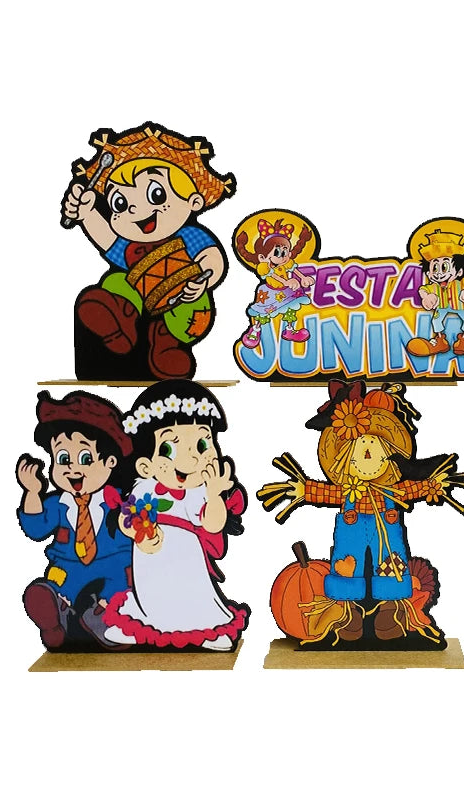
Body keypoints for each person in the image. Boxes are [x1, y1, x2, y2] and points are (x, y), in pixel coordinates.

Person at [260, 381, 464, 644]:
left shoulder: (392, 490)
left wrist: (433, 485)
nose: (367, 451)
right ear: (344, 457)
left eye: (375, 445)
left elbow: (410, 489)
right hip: (351, 526)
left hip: (386, 524)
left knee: (391, 562)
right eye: (358, 446)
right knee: (346, 563)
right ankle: (348, 615)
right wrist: (304, 490)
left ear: (390, 454)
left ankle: (391, 612)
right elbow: (328, 493)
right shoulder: (348, 490)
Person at [62, 124, 236, 379]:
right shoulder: (130, 246)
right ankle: (121, 321)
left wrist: (204, 279)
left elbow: (211, 256)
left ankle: (167, 347)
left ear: (194, 201)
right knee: (116, 281)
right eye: (119, 203)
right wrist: (87, 213)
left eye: (155, 194)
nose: (134, 209)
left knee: (188, 307)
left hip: (184, 300)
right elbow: (108, 240)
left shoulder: (188, 236)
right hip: (140, 300)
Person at [102, 381, 249, 650]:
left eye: (202, 444)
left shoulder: (201, 492)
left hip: (188, 558)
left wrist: (215, 495)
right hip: (150, 560)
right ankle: (146, 623)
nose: (191, 459)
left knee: (193, 594)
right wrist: (137, 533)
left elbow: (213, 525)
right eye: (169, 449)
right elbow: (126, 516)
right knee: (152, 593)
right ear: (145, 465)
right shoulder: (145, 488)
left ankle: (205, 629)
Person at [16, 391, 133, 649]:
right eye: (62, 459)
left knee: (120, 589)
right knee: (57, 587)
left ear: (110, 462)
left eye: (85, 459)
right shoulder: (57, 504)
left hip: (113, 566)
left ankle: (105, 619)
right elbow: (35, 528)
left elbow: (135, 531)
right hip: (68, 567)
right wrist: (32, 492)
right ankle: (57, 618)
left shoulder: (118, 502)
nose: (72, 468)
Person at [406, 229, 464, 358]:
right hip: (441, 307)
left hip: (460, 306)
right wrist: (426, 296)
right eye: (435, 268)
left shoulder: (460, 282)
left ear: (459, 272)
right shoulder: (434, 286)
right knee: (436, 320)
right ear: (429, 273)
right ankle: (439, 341)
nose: (439, 273)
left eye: (444, 267)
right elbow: (423, 289)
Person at [235, 218, 316, 347]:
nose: (283, 257)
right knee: (264, 312)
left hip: (286, 290)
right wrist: (286, 281)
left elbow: (293, 269)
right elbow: (273, 275)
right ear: (262, 257)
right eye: (278, 252)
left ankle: (289, 330)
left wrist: (303, 278)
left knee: (290, 309)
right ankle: (255, 330)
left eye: (285, 251)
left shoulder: (286, 262)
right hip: (270, 292)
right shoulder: (264, 267)